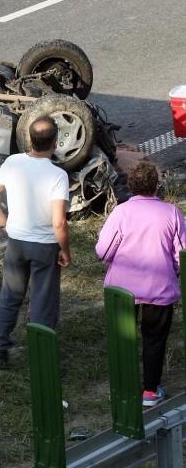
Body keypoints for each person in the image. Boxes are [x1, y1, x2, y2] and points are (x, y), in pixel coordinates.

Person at [0, 115, 70, 370]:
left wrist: (4, 223)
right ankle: (42, 357)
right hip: (44, 246)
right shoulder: (57, 175)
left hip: (16, 243)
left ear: (29, 140)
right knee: (43, 300)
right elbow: (59, 223)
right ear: (55, 143)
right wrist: (65, 249)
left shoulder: (13, 163)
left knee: (10, 296)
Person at [95, 161, 186, 406]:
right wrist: (172, 272)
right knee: (155, 339)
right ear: (156, 186)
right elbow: (181, 253)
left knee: (123, 337)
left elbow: (103, 252)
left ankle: (124, 386)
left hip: (122, 289)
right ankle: (150, 390)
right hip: (160, 288)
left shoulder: (121, 213)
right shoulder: (171, 213)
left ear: (131, 186)